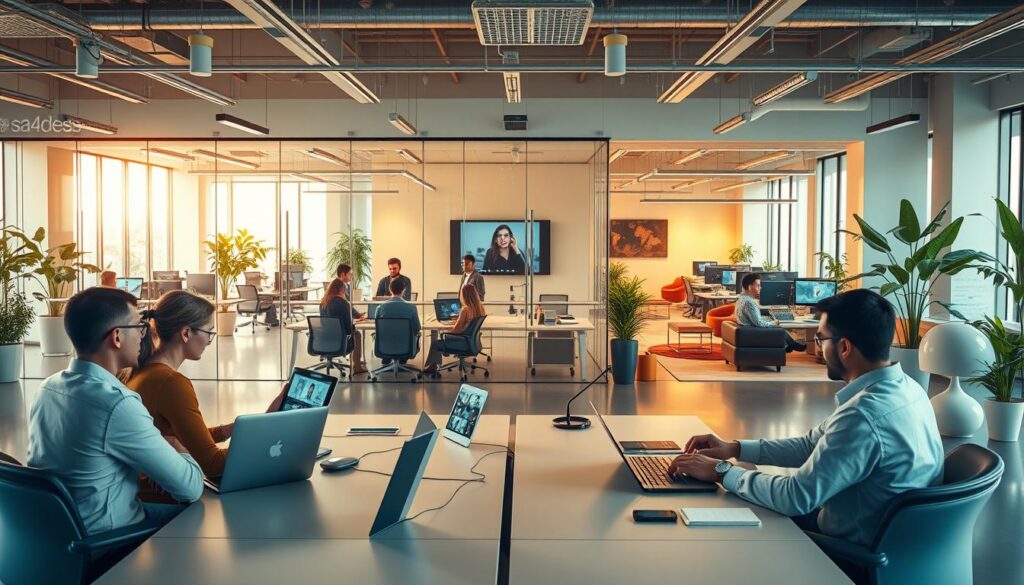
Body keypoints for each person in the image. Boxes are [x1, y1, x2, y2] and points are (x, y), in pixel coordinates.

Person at [668, 289, 944, 547]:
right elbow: (811, 445)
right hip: (888, 539)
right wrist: (735, 449)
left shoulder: (863, 416)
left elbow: (796, 497)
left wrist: (721, 471)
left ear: (844, 347)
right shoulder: (909, 389)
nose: (818, 346)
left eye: (821, 339)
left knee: (719, 527)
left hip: (845, 550)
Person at [27, 287, 203, 534]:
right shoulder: (118, 404)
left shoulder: (48, 388)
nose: (144, 335)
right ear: (117, 336)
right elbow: (190, 487)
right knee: (206, 513)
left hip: (58, 532)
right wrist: (178, 448)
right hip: (108, 538)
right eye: (138, 327)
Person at [125, 290, 286, 481]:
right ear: (186, 333)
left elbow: (191, 439)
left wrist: (257, 423)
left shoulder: (143, 371)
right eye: (209, 333)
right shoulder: (170, 383)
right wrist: (268, 432)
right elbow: (215, 465)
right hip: (166, 500)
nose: (210, 341)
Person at [734, 272, 806, 353]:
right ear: (750, 287)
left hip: (748, 330)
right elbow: (758, 323)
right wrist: (773, 323)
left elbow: (754, 319)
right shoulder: (749, 302)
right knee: (781, 329)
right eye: (758, 285)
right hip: (753, 332)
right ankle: (795, 345)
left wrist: (769, 319)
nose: (760, 288)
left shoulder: (742, 298)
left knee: (778, 326)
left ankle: (789, 345)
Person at [423, 284, 486, 374]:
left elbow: (456, 330)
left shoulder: (465, 309)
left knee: (435, 343)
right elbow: (470, 324)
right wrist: (459, 319)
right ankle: (433, 366)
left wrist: (445, 333)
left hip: (462, 342)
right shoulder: (480, 308)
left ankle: (433, 367)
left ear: (464, 295)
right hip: (472, 342)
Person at [319, 278, 367, 374]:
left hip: (324, 339)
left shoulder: (323, 303)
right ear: (342, 290)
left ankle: (355, 362)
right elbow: (348, 329)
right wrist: (354, 326)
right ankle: (356, 365)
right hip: (340, 341)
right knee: (357, 334)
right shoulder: (344, 304)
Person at [374, 277, 420, 364]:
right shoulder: (412, 308)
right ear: (403, 290)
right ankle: (403, 359)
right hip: (406, 347)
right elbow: (417, 329)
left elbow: (377, 329)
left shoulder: (380, 308)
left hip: (385, 347)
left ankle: (387, 357)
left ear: (390, 290)